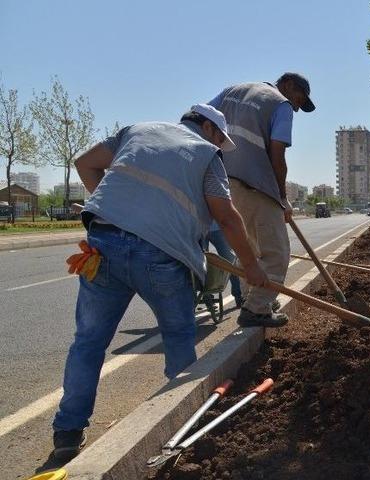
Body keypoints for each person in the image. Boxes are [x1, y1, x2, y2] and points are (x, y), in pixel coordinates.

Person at [51, 104, 268, 463]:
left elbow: (85, 163)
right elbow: (226, 216)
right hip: (163, 257)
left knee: (88, 342)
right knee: (179, 338)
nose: (221, 145)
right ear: (210, 129)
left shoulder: (136, 130)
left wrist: (119, 211)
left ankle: (68, 432)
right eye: (221, 138)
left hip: (104, 246)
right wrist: (251, 266)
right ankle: (182, 424)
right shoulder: (206, 154)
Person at [209, 72, 315, 327]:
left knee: (252, 251)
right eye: (300, 99)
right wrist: (282, 197)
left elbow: (199, 120)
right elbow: (277, 155)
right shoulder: (281, 104)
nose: (298, 107)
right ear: (288, 85)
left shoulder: (232, 91)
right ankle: (257, 308)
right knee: (277, 253)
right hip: (256, 186)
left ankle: (252, 298)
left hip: (224, 182)